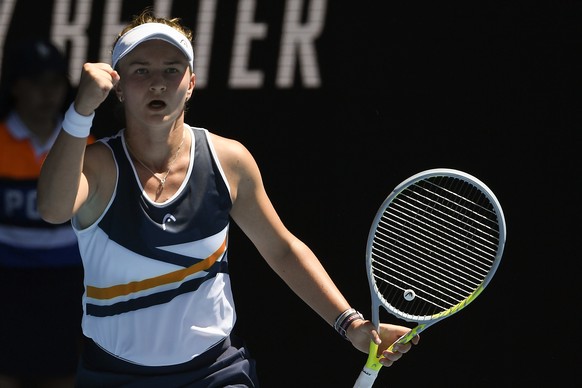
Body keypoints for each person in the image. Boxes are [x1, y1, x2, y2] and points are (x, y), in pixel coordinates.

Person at [37, 9, 419, 386]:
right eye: (140, 70)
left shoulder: (228, 160)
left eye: (172, 69)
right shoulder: (98, 166)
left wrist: (351, 324)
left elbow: (282, 248)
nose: (157, 83)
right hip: (114, 376)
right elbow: (53, 210)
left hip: (216, 373)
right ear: (117, 87)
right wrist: (80, 111)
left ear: (191, 83)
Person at [0, 38, 90, 387]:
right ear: (17, 86)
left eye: (54, 82)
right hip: (6, 286)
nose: (46, 93)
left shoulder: (87, 146)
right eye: (36, 82)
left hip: (66, 288)